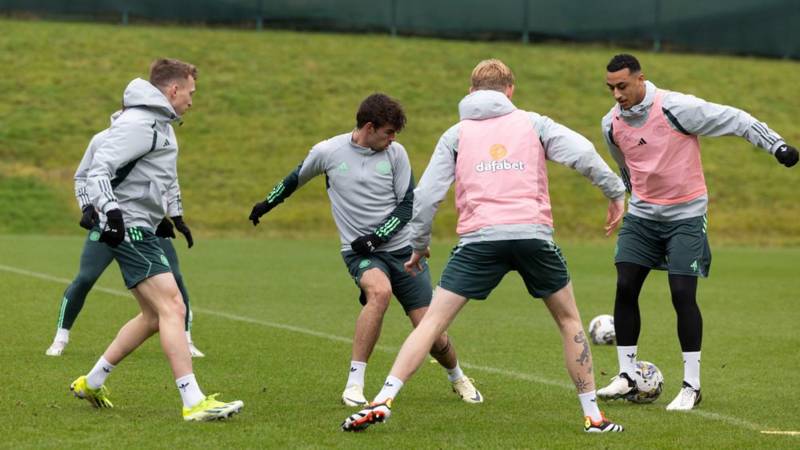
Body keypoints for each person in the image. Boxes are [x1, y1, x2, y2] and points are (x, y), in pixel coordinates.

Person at [341, 59, 627, 433]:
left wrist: (418, 244)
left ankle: (382, 399)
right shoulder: (534, 123)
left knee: (431, 325)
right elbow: (584, 155)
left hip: (479, 241)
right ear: (510, 90)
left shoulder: (456, 134)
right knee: (569, 320)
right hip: (532, 235)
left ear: (471, 90)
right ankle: (593, 417)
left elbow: (426, 197)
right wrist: (615, 192)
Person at [248, 93, 483, 407]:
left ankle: (457, 376)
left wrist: (376, 237)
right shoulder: (327, 151)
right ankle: (354, 384)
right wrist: (265, 205)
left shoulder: (396, 154)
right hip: (360, 254)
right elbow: (294, 179)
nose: (392, 138)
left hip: (402, 253)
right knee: (379, 293)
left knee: (431, 332)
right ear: (369, 127)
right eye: (388, 132)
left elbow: (407, 205)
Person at [596, 53, 798, 411]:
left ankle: (692, 385)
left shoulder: (676, 108)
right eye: (610, 87)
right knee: (625, 284)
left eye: (622, 86)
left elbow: (736, 118)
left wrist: (776, 145)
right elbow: (625, 168)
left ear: (641, 79)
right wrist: (634, 198)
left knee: (681, 293)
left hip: (686, 216)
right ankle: (627, 375)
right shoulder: (611, 124)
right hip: (642, 217)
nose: (616, 94)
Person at [70, 58, 243, 421]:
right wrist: (112, 212)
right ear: (173, 89)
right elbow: (97, 171)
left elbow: (159, 177)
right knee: (174, 308)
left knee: (152, 316)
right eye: (191, 93)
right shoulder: (140, 123)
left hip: (141, 224)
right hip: (129, 227)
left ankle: (93, 381)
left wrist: (171, 216)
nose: (192, 101)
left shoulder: (161, 124)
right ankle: (193, 401)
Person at [46, 117, 204, 358]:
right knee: (85, 278)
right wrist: (87, 207)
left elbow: (169, 180)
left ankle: (186, 338)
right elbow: (83, 176)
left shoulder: (159, 138)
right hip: (108, 224)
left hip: (147, 225)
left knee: (176, 277)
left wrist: (177, 216)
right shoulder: (101, 139)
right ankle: (60, 337)